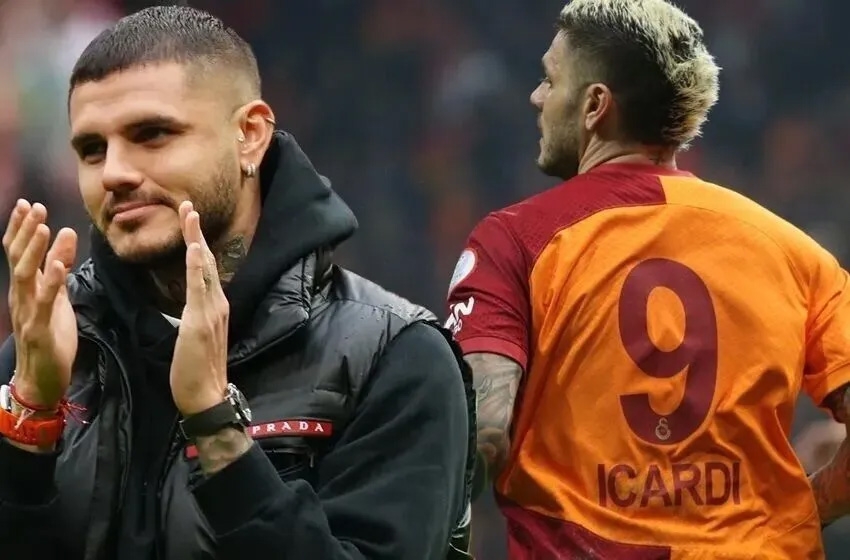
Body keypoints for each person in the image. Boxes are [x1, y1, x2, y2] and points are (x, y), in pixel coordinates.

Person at [0, 6, 475, 560]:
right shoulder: (46, 354)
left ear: (249, 135)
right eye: (92, 150)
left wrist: (217, 431)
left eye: (152, 135)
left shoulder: (392, 359)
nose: (114, 173)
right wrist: (30, 421)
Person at [446, 0, 850, 557]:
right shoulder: (792, 251)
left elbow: (481, 431)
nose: (537, 97)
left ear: (595, 105)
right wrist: (810, 504)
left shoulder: (515, 241)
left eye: (549, 80)